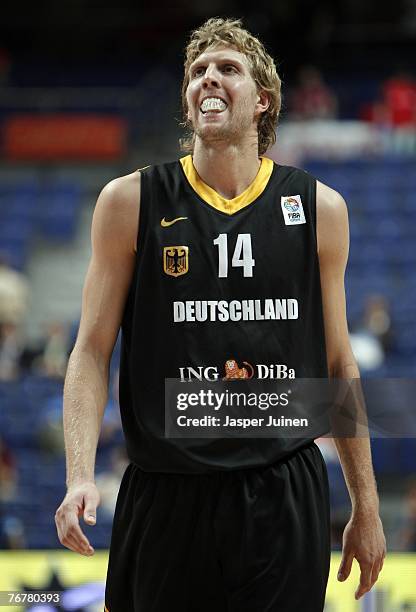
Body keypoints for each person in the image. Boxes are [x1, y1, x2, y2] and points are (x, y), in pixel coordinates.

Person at [55, 17, 386, 612]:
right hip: (166, 492)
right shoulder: (130, 201)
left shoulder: (320, 209)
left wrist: (365, 504)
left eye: (227, 69)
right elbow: (90, 351)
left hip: (282, 488)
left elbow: (339, 362)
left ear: (263, 100)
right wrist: (79, 473)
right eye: (197, 72)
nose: (208, 78)